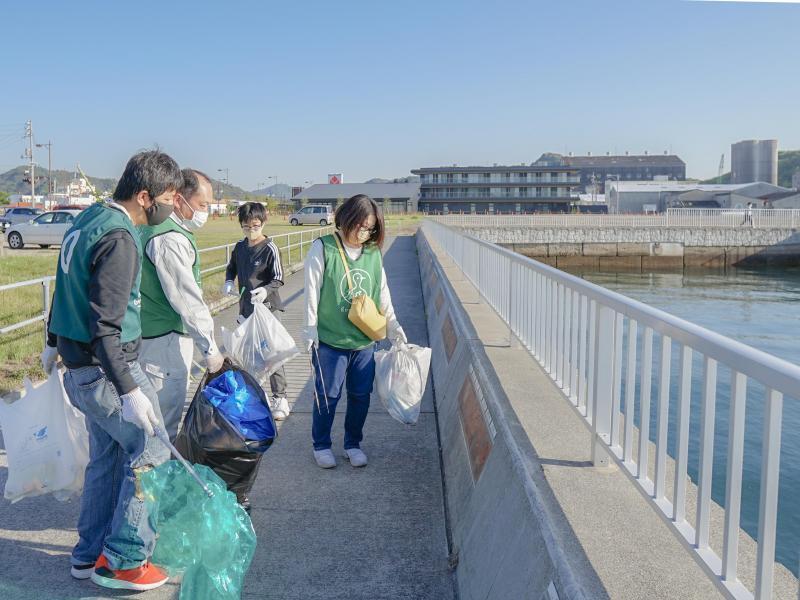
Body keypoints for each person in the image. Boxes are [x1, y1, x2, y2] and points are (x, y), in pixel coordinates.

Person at [41, 150, 182, 591]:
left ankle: (88, 554)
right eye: (170, 198)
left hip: (80, 365)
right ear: (145, 196)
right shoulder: (121, 238)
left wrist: (51, 341)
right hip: (108, 371)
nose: (174, 206)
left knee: (107, 457)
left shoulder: (88, 220)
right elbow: (106, 326)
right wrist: (130, 390)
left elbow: (67, 289)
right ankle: (124, 559)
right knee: (154, 451)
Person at [303, 194, 406, 469]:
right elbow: (311, 292)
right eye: (360, 226)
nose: (364, 233)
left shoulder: (373, 254)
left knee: (361, 396)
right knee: (328, 395)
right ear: (346, 219)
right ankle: (321, 444)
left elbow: (382, 294)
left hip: (363, 343)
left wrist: (393, 326)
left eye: (370, 228)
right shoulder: (323, 248)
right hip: (330, 341)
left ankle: (352, 443)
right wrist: (309, 329)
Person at [138, 169, 224, 441]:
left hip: (154, 339)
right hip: (162, 345)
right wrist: (210, 349)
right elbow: (186, 300)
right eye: (202, 205)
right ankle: (154, 480)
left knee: (155, 426)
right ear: (179, 200)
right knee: (161, 428)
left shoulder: (164, 229)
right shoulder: (169, 238)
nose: (205, 212)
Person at [223, 202, 289, 419]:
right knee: (249, 356)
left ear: (263, 223)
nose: (251, 231)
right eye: (246, 227)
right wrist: (228, 282)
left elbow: (278, 277)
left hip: (268, 310)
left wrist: (265, 290)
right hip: (246, 309)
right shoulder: (240, 247)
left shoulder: (270, 248)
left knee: (272, 354)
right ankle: (255, 396)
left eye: (255, 226)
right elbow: (231, 268)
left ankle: (280, 397)